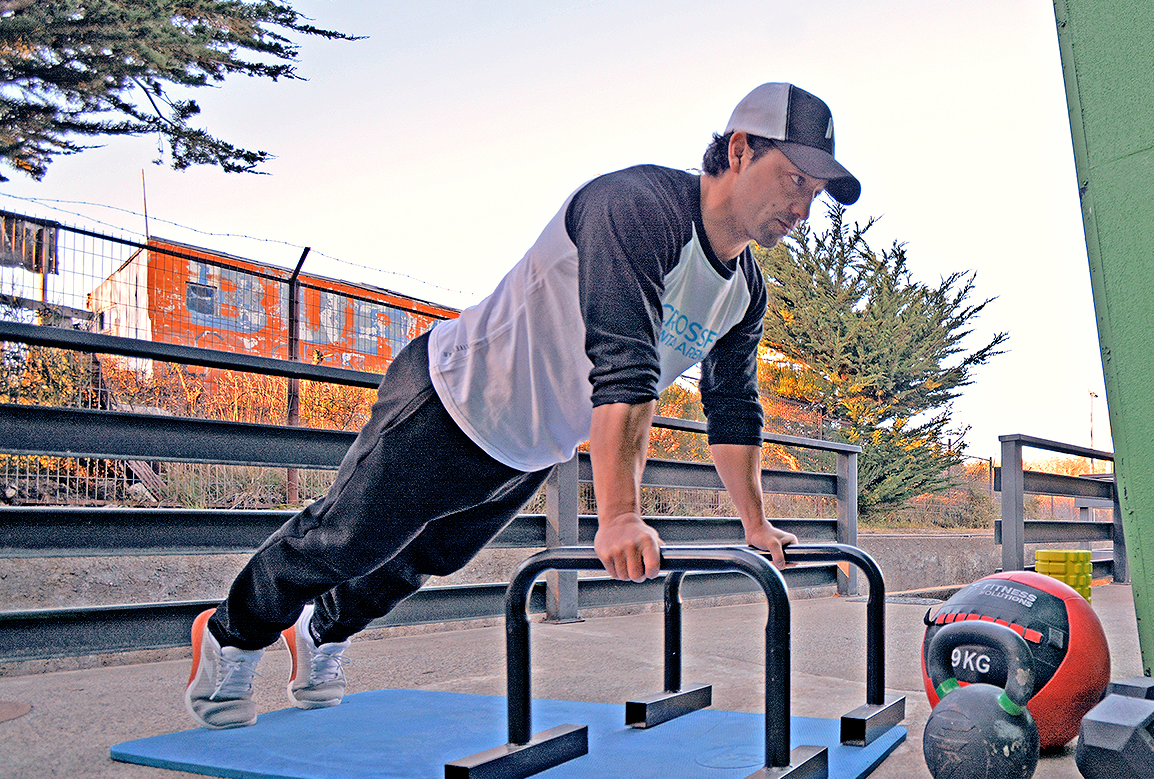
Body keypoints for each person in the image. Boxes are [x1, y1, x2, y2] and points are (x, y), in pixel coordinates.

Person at [183, 82, 861, 730]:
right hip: (452, 396)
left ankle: (324, 627)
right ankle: (232, 633)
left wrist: (756, 524)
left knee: (419, 562)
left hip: (531, 445)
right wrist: (618, 515)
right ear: (740, 149)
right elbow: (624, 365)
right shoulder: (638, 206)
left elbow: (735, 410)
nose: (803, 207)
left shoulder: (744, 290)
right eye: (795, 179)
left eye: (817, 193)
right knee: (347, 539)